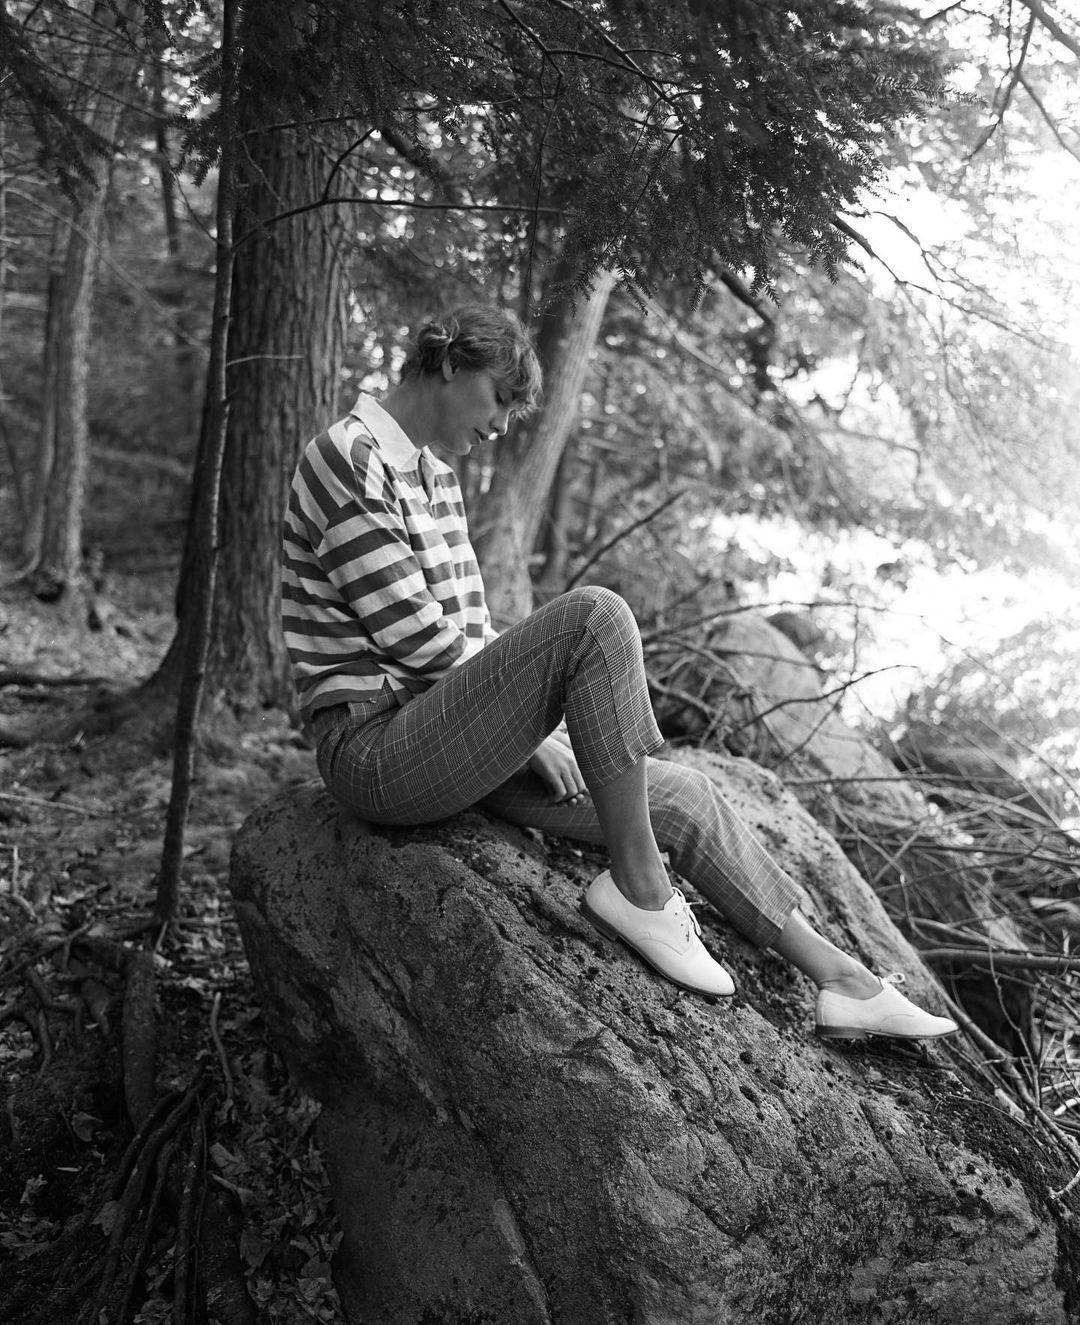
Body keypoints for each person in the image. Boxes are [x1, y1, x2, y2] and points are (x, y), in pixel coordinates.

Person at [282, 302, 958, 1042]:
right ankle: (641, 891)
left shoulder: (434, 476)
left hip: (445, 734)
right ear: (448, 366)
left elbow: (469, 630)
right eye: (500, 399)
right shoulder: (348, 455)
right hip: (377, 748)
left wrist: (537, 725)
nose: (504, 424)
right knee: (595, 615)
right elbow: (412, 637)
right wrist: (532, 729)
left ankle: (842, 979)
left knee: (686, 795)